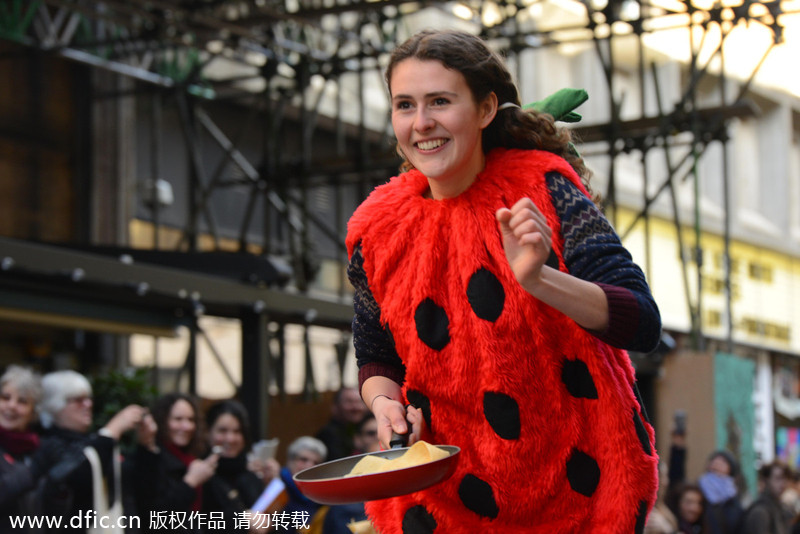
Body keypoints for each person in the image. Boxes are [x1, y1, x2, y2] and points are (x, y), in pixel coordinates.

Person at [345, 29, 661, 533]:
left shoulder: (543, 187)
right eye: (405, 105)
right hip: (444, 500)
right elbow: (376, 353)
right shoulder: (377, 228)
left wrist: (541, 279)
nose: (421, 122)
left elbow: (642, 322)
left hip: (576, 494)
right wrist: (387, 407)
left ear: (486, 109)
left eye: (440, 102)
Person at [37, 370, 147, 533]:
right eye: (78, 400)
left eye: (88, 399)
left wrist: (146, 445)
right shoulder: (47, 444)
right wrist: (112, 431)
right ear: (55, 405)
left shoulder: (90, 440)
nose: (87, 404)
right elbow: (80, 477)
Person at [131, 392, 217, 534]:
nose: (186, 426)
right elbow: (155, 519)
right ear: (162, 421)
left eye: (191, 419)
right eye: (178, 419)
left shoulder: (195, 459)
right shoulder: (151, 459)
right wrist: (190, 482)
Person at [201, 399, 265, 529]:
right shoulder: (199, 474)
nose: (230, 439)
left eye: (237, 431)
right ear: (208, 432)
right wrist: (241, 520)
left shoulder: (252, 475)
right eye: (222, 431)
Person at [0, 365, 43, 533]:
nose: (11, 406)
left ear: (33, 412)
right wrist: (30, 473)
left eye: (22, 401)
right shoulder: (39, 460)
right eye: (5, 397)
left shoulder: (39, 448)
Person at [279, 436, 327, 533]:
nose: (309, 466)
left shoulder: (321, 497)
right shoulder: (277, 486)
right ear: (290, 461)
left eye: (316, 462)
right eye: (303, 459)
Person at [737, 461, 793, 534]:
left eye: (785, 478)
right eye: (778, 478)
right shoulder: (760, 512)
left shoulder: (781, 507)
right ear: (766, 480)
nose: (783, 483)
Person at [315, 387, 368, 461]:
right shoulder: (329, 435)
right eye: (349, 402)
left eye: (359, 402)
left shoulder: (367, 426)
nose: (356, 407)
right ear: (335, 407)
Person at [698, 450, 744, 534]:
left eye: (723, 461)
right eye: (714, 460)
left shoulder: (734, 496)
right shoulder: (699, 489)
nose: (717, 463)